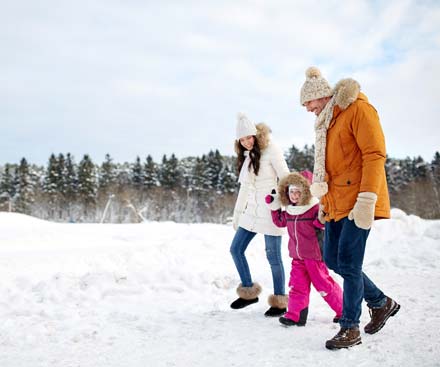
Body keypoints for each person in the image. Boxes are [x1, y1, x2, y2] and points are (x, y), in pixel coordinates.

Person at [299, 66, 400, 349]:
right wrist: (324, 203)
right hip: (336, 204)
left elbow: (374, 154)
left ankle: (350, 328)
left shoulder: (358, 110)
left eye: (308, 102)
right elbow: (333, 168)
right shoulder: (327, 123)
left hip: (358, 203)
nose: (307, 108)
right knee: (332, 260)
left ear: (322, 96)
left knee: (350, 264)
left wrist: (367, 199)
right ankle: (381, 302)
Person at [230, 112, 290, 317]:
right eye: (242, 139)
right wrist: (238, 214)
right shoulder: (246, 158)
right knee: (236, 249)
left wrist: (284, 204)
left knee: (273, 257)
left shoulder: (272, 150)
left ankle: (280, 301)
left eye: (249, 137)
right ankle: (248, 293)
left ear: (256, 135)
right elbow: (244, 189)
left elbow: (286, 178)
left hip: (270, 211)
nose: (247, 142)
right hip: (251, 213)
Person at [265, 170, 343, 327]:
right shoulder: (290, 210)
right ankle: (295, 315)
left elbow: (324, 223)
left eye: (298, 192)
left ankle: (344, 310)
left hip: (314, 256)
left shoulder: (314, 208)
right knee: (296, 286)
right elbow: (280, 222)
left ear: (306, 192)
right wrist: (274, 208)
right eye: (291, 191)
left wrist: (322, 220)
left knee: (324, 285)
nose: (294, 195)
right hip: (297, 256)